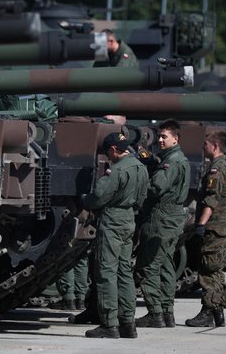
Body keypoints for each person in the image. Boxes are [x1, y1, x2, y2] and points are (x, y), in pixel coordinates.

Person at [72, 132, 149, 338]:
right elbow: (143, 196)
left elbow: (98, 197)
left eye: (108, 153)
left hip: (112, 220)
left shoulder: (115, 171)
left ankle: (109, 323)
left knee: (106, 271)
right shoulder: (140, 168)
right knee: (124, 271)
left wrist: (84, 199)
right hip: (129, 220)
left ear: (113, 150)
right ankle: (128, 322)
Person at [133, 119, 190, 328]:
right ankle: (167, 312)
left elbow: (157, 187)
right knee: (165, 264)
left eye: (164, 136)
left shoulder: (172, 161)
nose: (160, 140)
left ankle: (155, 313)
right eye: (159, 136)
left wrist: (136, 188)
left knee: (147, 265)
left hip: (162, 217)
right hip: (172, 217)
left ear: (176, 138)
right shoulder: (176, 159)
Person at [185, 130, 226, 327]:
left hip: (214, 226)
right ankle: (217, 312)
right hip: (221, 226)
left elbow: (210, 200)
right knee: (215, 269)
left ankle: (207, 312)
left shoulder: (217, 169)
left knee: (207, 269)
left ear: (214, 146)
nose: (202, 146)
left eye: (205, 143)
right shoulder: (225, 167)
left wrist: (201, 225)